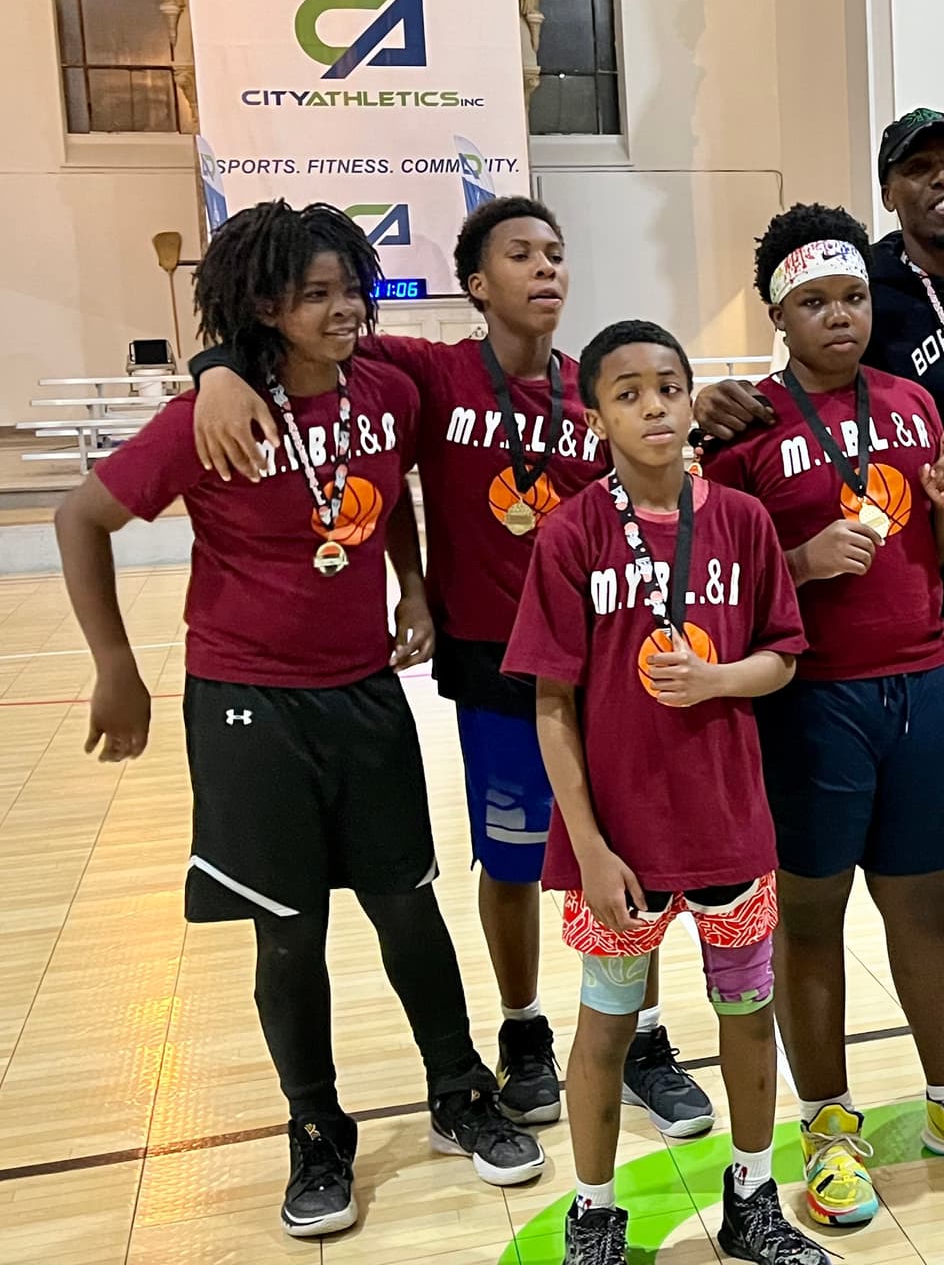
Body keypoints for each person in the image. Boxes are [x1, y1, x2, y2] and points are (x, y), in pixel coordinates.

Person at [54, 201, 545, 1239]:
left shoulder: (391, 388)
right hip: (247, 704)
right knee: (289, 932)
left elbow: (403, 483)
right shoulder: (215, 413)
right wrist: (115, 666)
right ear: (265, 309)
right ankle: (316, 1131)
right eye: (315, 294)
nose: (344, 309)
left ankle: (459, 1091)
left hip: (365, 689)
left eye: (351, 287)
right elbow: (79, 515)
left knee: (407, 904)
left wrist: (411, 585)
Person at [185, 197, 714, 1137]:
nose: (548, 269)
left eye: (557, 252)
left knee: (632, 850)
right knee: (509, 861)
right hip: (490, 655)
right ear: (476, 284)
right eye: (522, 254)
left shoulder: (599, 387)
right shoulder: (426, 373)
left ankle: (641, 1035)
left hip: (605, 660)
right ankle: (521, 1030)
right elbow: (308, 343)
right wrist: (216, 365)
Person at [696, 109, 944, 1114]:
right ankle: (826, 1121)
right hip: (815, 696)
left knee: (929, 900)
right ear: (777, 315)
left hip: (929, 673)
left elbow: (932, 550)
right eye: (813, 302)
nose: (839, 317)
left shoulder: (909, 405)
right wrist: (799, 560)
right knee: (811, 915)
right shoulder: (750, 431)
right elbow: (720, 584)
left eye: (852, 300)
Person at [504, 320, 825, 1265]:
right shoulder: (571, 534)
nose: (654, 406)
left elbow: (782, 658)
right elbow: (551, 708)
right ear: (596, 414)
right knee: (605, 1026)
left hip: (727, 825)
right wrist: (591, 847)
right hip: (623, 843)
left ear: (693, 401)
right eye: (629, 392)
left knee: (745, 1017)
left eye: (669, 388)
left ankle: (755, 1198)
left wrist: (722, 679)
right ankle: (595, 1215)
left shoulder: (740, 520)